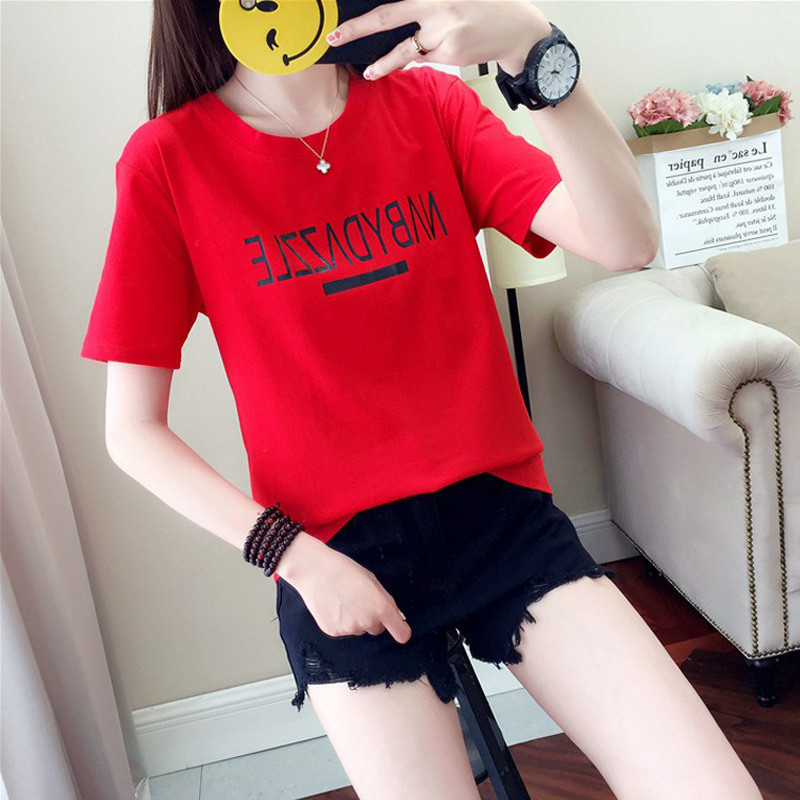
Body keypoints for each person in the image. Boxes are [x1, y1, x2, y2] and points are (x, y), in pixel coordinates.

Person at [80, 1, 763, 798]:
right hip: (335, 555)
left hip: (502, 522)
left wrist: (535, 49)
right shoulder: (170, 160)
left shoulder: (431, 105)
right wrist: (295, 560)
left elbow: (625, 242)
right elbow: (133, 432)